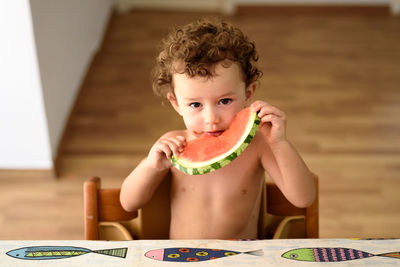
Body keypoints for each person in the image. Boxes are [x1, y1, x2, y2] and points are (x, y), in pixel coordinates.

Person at [120, 19, 315, 239]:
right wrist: (151, 166)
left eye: (224, 101)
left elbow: (303, 199)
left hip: (241, 257)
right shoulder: (173, 146)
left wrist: (279, 143)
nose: (211, 119)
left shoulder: (258, 144)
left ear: (249, 93)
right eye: (195, 105)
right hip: (183, 258)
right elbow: (128, 202)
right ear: (176, 104)